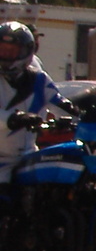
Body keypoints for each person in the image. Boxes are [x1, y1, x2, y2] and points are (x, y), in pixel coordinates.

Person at [0, 21, 68, 185]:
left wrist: (78, 113)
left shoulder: (39, 79)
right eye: (3, 50)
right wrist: (13, 119)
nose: (7, 56)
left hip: (30, 156)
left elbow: (59, 103)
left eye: (12, 51)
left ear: (26, 51)